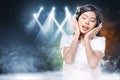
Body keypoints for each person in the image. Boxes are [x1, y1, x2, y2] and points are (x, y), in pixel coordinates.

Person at [60, 4, 106, 80]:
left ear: (96, 25)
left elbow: (93, 64)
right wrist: (77, 35)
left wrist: (87, 39)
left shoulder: (99, 41)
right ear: (77, 19)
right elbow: (68, 60)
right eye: (84, 18)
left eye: (92, 20)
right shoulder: (66, 39)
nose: (87, 22)